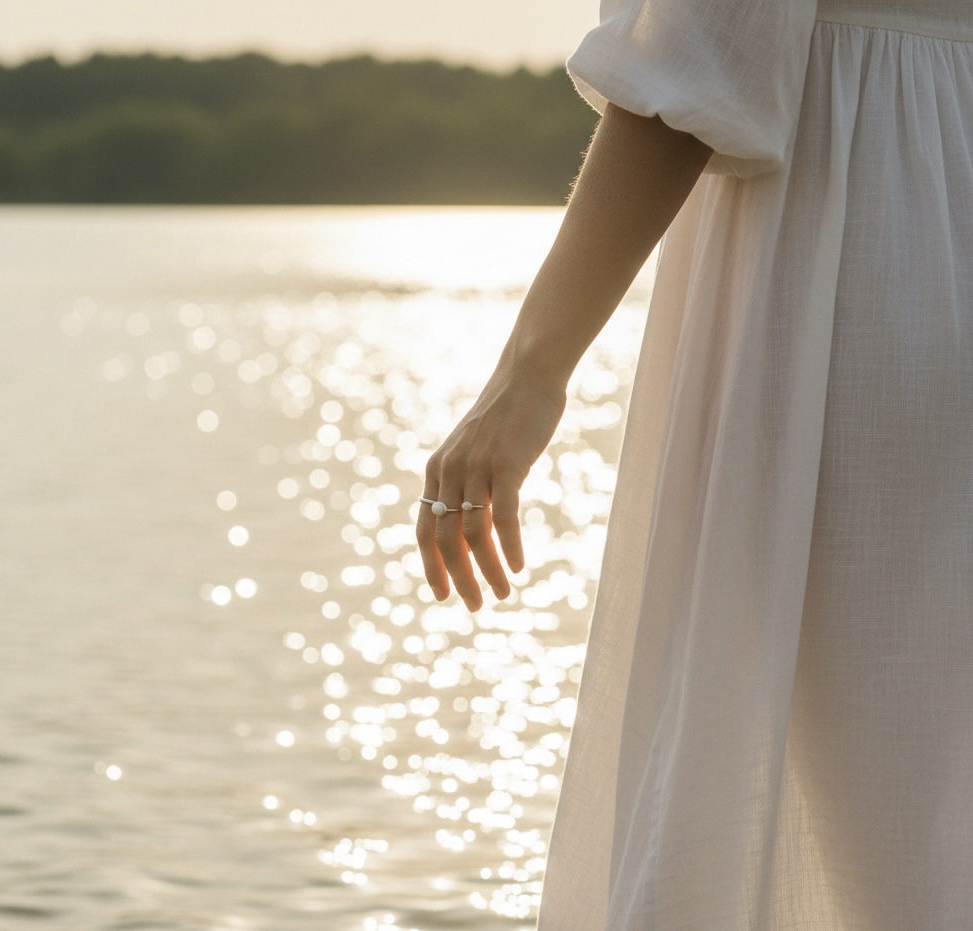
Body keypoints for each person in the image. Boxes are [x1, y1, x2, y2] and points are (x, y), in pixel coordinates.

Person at [417, 1, 973, 928]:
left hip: (852, 245)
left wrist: (529, 374)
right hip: (935, 194)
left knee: (877, 837)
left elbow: (705, 52)